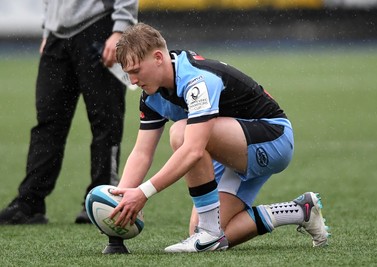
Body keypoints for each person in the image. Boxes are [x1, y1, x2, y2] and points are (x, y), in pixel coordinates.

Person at [109, 23, 330, 252]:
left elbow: (194, 149)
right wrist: (119, 201)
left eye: (136, 71)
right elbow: (142, 153)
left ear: (157, 58)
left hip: (273, 139)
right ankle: (300, 210)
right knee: (206, 234)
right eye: (128, 74)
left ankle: (209, 233)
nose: (132, 81)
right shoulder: (151, 96)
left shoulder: (196, 79)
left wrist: (144, 193)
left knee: (181, 133)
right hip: (229, 151)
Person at [0, 0, 138, 225]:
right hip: (57, 35)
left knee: (105, 120)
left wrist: (120, 29)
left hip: (100, 28)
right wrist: (48, 27)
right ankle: (30, 203)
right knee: (47, 122)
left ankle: (100, 199)